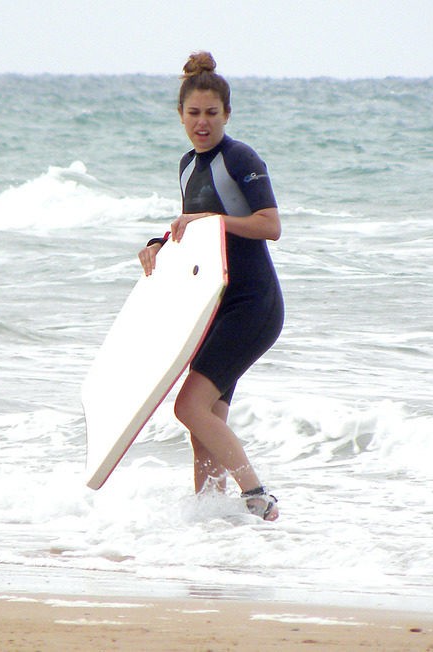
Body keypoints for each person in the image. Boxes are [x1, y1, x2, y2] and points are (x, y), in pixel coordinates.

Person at [138, 51, 283, 520]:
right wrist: (159, 243)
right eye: (194, 113)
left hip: (253, 303)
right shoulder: (187, 164)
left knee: (189, 405)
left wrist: (214, 218)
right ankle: (212, 518)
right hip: (217, 306)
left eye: (212, 114)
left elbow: (269, 225)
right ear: (180, 115)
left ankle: (256, 493)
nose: (202, 123)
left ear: (227, 114)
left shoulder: (241, 157)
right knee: (206, 418)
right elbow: (197, 229)